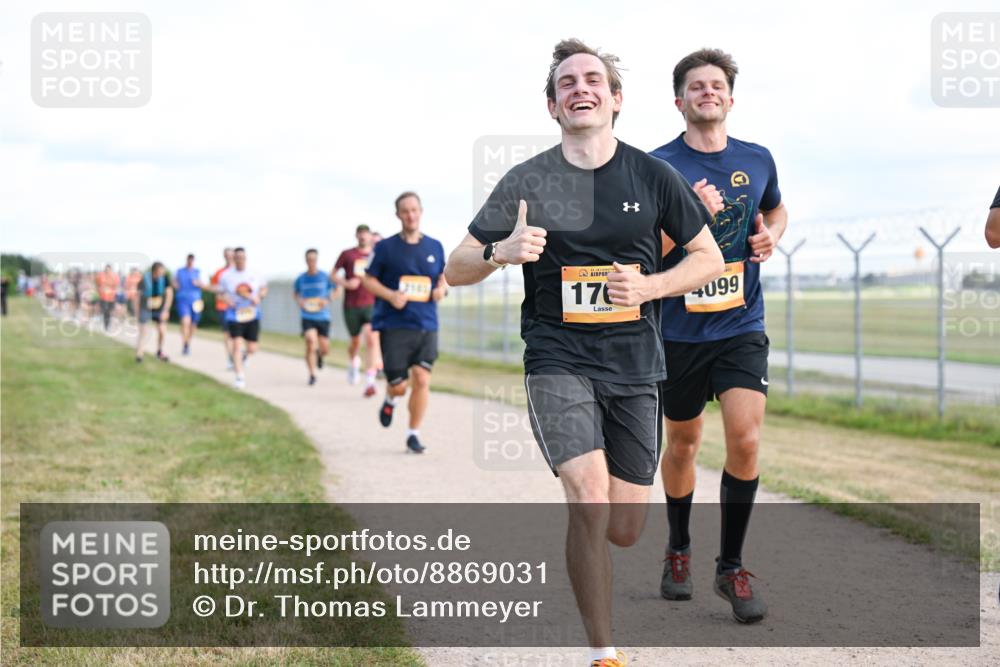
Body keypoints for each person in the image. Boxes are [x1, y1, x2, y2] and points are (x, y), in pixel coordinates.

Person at [444, 39, 722, 667]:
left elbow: (707, 258)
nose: (580, 88)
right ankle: (604, 652)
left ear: (615, 98)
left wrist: (651, 285)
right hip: (557, 358)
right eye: (566, 83)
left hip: (635, 365)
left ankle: (593, 550)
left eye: (593, 79)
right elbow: (454, 265)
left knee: (623, 527)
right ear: (553, 105)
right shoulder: (528, 180)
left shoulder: (653, 176)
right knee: (588, 493)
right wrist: (498, 253)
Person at [649, 48, 788, 624]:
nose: (708, 92)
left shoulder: (758, 159)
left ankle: (730, 565)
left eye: (717, 85)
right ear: (679, 100)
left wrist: (770, 237)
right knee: (682, 444)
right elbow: (640, 253)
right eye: (696, 86)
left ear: (731, 97)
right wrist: (687, 223)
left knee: (747, 440)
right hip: (678, 331)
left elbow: (776, 212)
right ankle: (678, 548)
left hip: (740, 323)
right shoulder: (656, 166)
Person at [362, 192, 448, 454]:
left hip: (426, 323)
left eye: (414, 210)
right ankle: (390, 398)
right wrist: (390, 295)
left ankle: (413, 433)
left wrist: (441, 289)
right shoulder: (385, 248)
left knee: (422, 378)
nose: (410, 215)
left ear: (421, 211)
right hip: (394, 324)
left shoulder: (435, 246)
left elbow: (443, 277)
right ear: (398, 215)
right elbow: (368, 279)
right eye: (405, 211)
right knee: (399, 385)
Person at [334, 224, 380, 395]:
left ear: (369, 236)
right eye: (360, 234)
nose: (362, 237)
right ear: (356, 236)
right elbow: (332, 275)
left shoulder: (376, 255)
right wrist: (346, 283)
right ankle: (353, 362)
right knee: (355, 342)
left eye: (365, 234)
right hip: (351, 305)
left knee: (371, 338)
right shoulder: (347, 254)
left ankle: (370, 380)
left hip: (371, 303)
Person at [217, 247, 267, 389]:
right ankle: (239, 376)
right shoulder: (226, 276)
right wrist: (227, 300)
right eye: (237, 257)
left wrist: (259, 296)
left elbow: (264, 288)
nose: (240, 260)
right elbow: (220, 293)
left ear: (245, 258)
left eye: (242, 257)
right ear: (234, 259)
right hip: (234, 314)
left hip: (251, 314)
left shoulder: (255, 274)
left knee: (252, 348)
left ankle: (244, 357)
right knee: (237, 344)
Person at [294, 248, 335, 385]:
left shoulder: (325, 276)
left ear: (316, 260)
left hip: (323, 316)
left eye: (314, 259)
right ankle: (312, 374)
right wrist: (300, 302)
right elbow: (296, 293)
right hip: (307, 315)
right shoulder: (301, 278)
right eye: (309, 259)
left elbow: (337, 289)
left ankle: (320, 356)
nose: (311, 262)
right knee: (311, 342)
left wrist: (327, 300)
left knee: (325, 349)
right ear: (306, 261)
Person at [133, 262, 174, 363]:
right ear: (155, 271)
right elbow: (137, 297)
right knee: (144, 332)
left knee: (162, 330)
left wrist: (166, 310)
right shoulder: (143, 281)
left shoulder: (164, 279)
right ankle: (139, 355)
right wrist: (137, 312)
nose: (162, 273)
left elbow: (169, 294)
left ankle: (159, 351)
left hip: (159, 308)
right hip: (145, 307)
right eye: (161, 271)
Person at [173, 254, 207, 355]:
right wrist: (176, 285)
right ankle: (185, 343)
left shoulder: (198, 272)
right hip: (183, 299)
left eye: (192, 260)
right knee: (185, 321)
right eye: (189, 260)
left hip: (196, 301)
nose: (190, 262)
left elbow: (205, 286)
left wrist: (199, 283)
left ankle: (188, 343)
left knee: (193, 324)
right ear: (186, 260)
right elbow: (173, 282)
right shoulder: (179, 271)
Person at [211, 248, 236, 369]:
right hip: (223, 307)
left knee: (238, 335)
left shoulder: (239, 272)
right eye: (226, 255)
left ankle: (239, 354)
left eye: (230, 255)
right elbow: (215, 288)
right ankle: (230, 358)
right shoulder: (219, 273)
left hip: (238, 308)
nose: (228, 257)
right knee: (227, 334)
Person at [95, 264, 120, 331]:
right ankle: (106, 324)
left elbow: (116, 286)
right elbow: (97, 284)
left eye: (108, 269)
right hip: (103, 296)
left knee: (110, 311)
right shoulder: (100, 276)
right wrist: (99, 291)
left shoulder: (115, 276)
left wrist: (115, 293)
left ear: (111, 270)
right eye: (106, 269)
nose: (107, 271)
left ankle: (108, 323)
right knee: (105, 310)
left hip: (111, 297)